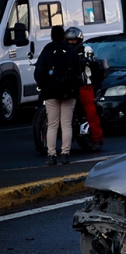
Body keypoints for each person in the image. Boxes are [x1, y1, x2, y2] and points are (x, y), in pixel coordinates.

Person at [34, 26, 81, 165]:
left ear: (51, 36)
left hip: (50, 92)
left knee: (52, 125)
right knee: (66, 124)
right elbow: (78, 69)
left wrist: (44, 86)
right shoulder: (71, 51)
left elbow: (38, 73)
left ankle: (51, 155)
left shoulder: (47, 51)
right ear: (64, 36)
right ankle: (65, 154)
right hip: (69, 92)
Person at [65, 27, 104, 151]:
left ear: (79, 39)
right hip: (67, 84)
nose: (71, 42)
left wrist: (86, 61)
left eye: (74, 40)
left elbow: (91, 60)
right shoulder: (63, 51)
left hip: (84, 85)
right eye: (69, 40)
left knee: (90, 111)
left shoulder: (86, 49)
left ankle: (98, 139)